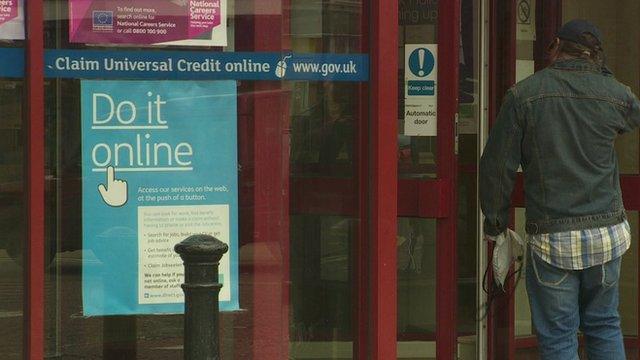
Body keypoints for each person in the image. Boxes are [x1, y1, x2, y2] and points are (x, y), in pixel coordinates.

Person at [479, 19, 638, 360]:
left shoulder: (523, 95)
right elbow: (631, 117)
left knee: (559, 337)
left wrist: (495, 225)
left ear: (554, 47)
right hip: (607, 234)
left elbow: (496, 168)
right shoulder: (616, 94)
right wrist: (602, 74)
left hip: (553, 238)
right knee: (605, 323)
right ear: (596, 55)